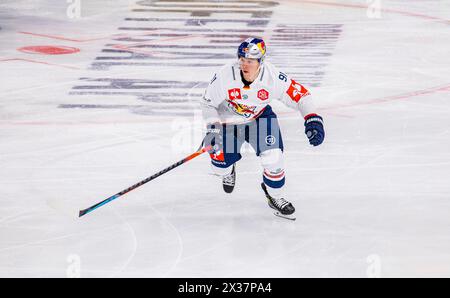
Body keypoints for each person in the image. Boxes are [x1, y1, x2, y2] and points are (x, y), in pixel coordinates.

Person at [201, 37, 325, 220]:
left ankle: (274, 196)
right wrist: (213, 128)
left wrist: (312, 118)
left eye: (250, 61)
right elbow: (207, 103)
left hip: (259, 119)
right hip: (228, 122)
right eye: (242, 60)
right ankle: (228, 170)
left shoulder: (273, 78)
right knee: (220, 166)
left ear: (261, 62)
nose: (244, 65)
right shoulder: (225, 76)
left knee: (273, 159)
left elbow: (301, 96)